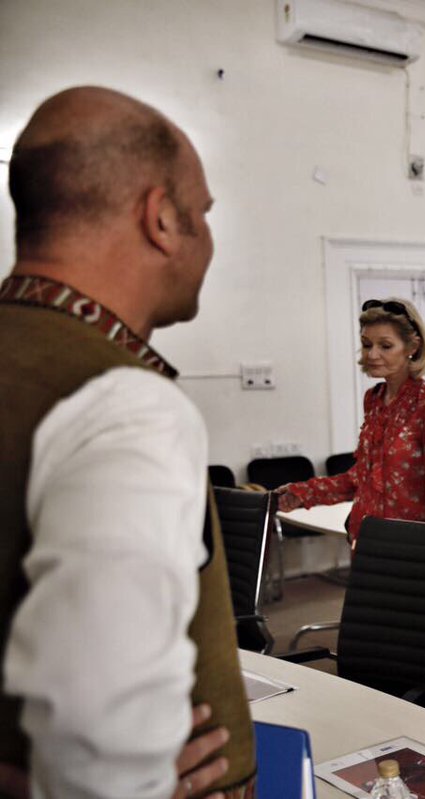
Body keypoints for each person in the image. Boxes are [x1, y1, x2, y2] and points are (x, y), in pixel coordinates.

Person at [0, 87, 255, 798]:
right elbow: (93, 714)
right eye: (202, 212)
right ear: (162, 218)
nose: (206, 232)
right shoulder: (122, 401)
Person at [276, 297, 425, 544]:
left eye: (385, 346)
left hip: (410, 544)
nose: (372, 354)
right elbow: (362, 477)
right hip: (365, 536)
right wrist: (305, 493)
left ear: (412, 347)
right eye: (366, 344)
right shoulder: (373, 399)